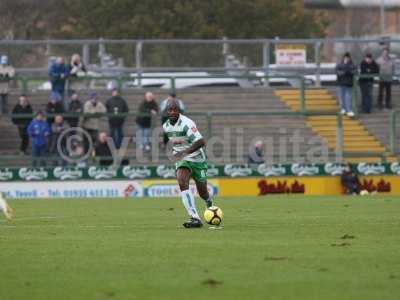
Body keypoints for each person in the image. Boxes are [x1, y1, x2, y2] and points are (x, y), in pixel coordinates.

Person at [163, 98, 215, 228]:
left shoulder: (187, 123)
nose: (173, 112)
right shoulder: (166, 126)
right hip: (183, 160)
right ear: (166, 112)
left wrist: (184, 152)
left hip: (197, 159)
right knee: (182, 182)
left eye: (175, 109)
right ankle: (195, 217)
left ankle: (209, 204)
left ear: (179, 110)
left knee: (203, 192)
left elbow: (201, 141)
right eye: (170, 110)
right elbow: (170, 140)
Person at [335, 52, 356, 117]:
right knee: (341, 97)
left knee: (348, 97)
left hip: (348, 84)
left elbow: (355, 71)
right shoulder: (339, 65)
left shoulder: (352, 65)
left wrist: (348, 72)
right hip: (340, 83)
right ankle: (343, 109)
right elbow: (337, 72)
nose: (346, 59)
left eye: (348, 57)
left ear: (350, 58)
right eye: (345, 57)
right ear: (343, 58)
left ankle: (349, 110)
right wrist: (344, 72)